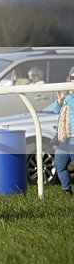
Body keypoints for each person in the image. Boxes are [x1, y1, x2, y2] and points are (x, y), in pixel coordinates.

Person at [52, 67, 74, 196]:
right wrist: (60, 100)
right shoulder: (68, 95)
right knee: (59, 164)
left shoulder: (69, 97)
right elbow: (55, 110)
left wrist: (66, 97)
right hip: (64, 136)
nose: (73, 80)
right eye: (72, 78)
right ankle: (67, 191)